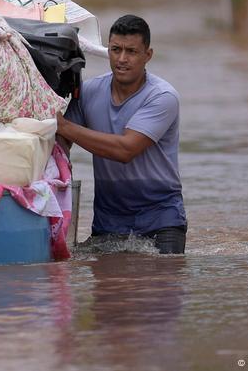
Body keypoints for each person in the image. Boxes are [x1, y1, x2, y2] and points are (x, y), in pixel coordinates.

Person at [56, 14, 187, 254]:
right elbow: (60, 145)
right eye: (115, 50)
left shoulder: (162, 97)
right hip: (108, 222)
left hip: (160, 220)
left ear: (148, 55)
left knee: (161, 287)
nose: (122, 59)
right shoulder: (88, 92)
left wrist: (63, 125)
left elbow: (125, 149)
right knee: (110, 290)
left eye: (131, 51)